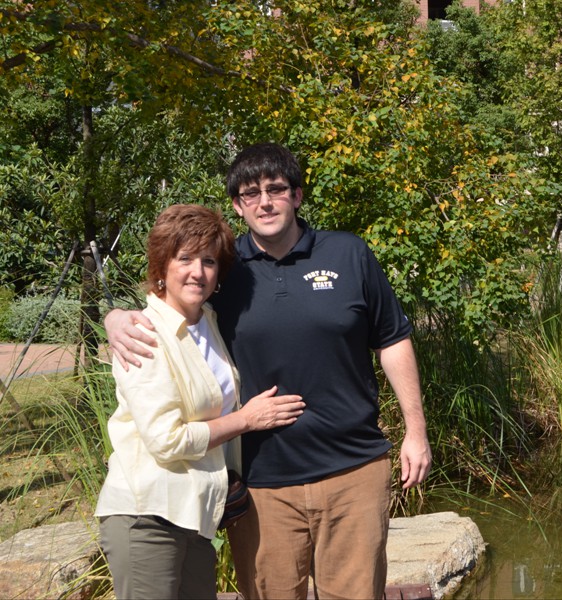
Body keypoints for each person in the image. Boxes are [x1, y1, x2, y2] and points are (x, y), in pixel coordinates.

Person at [105, 143, 432, 599]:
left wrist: (415, 432)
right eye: (251, 193)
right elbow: (170, 302)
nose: (265, 201)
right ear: (238, 206)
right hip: (263, 487)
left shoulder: (348, 254)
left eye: (276, 189)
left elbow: (393, 340)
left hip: (354, 472)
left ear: (297, 195)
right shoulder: (225, 270)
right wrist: (115, 317)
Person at [95, 204, 305, 600]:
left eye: (208, 260)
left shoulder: (208, 321)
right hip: (147, 515)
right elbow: (166, 440)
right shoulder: (144, 334)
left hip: (197, 514)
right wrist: (247, 420)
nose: (198, 271)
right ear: (161, 265)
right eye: (185, 258)